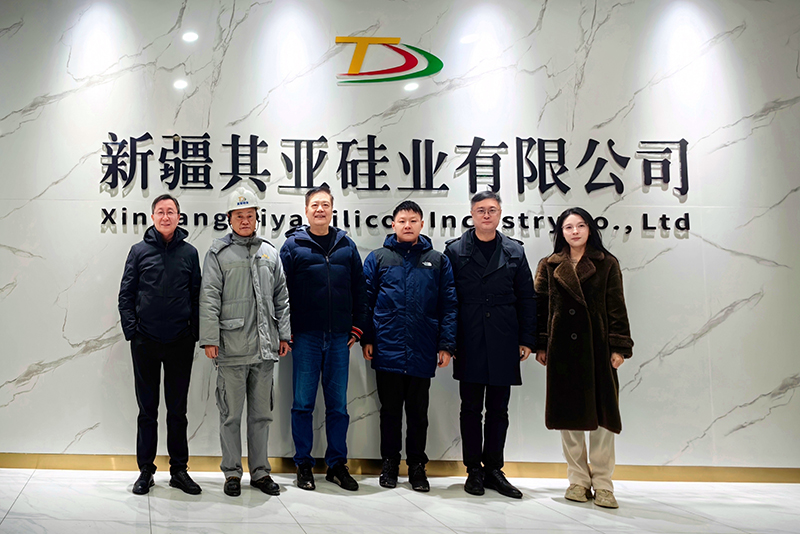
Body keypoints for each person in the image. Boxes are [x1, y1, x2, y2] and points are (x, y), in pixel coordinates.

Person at [533, 207, 634, 509]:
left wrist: (619, 347)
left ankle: (603, 483)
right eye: (568, 227)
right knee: (570, 419)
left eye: (580, 226)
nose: (574, 232)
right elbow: (540, 309)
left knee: (604, 419)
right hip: (563, 350)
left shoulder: (607, 263)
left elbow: (617, 307)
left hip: (597, 349)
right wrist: (541, 344)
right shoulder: (549, 265)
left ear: (590, 229)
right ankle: (577, 480)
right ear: (560, 232)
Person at [444, 190, 536, 499]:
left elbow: (527, 297)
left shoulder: (514, 250)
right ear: (471, 214)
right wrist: (449, 341)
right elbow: (448, 299)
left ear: (499, 214)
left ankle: (494, 469)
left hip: (503, 336)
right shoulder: (455, 251)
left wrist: (526, 339)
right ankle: (473, 470)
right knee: (470, 408)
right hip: (469, 336)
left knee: (499, 408)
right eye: (481, 210)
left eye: (492, 210)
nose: (486, 215)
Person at [199, 187, 291, 497]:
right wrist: (210, 338)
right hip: (231, 347)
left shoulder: (270, 253)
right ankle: (232, 473)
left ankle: (261, 472)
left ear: (256, 217)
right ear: (230, 219)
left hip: (264, 350)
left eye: (249, 215)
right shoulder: (218, 254)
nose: (244, 220)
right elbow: (209, 297)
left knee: (261, 416)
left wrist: (283, 335)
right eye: (239, 216)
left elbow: (281, 297)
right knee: (230, 416)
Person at [361, 201, 458, 492]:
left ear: (421, 224)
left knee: (418, 413)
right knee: (389, 412)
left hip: (422, 346)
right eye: (402, 220)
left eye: (413, 220)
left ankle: (417, 466)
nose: (407, 225)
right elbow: (366, 301)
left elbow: (449, 304)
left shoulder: (437, 260)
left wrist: (446, 344)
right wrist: (368, 338)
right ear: (393, 224)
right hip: (386, 346)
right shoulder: (378, 258)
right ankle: (390, 464)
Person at [280, 184, 368, 491]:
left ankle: (337, 465)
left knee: (338, 406)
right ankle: (303, 464)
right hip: (305, 336)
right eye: (314, 205)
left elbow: (360, 290)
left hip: (340, 337)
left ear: (332, 209)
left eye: (325, 205)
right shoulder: (293, 246)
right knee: (302, 404)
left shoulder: (346, 246)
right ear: (306, 211)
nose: (320, 209)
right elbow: (281, 293)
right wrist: (286, 331)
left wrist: (357, 328)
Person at [118, 194, 202, 496]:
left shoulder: (190, 253)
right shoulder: (139, 251)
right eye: (160, 212)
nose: (166, 217)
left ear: (179, 217)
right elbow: (126, 294)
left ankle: (179, 470)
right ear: (152, 217)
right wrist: (133, 331)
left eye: (171, 212)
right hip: (146, 341)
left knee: (178, 411)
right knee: (147, 410)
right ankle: (145, 471)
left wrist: (194, 334)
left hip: (180, 341)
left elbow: (196, 296)